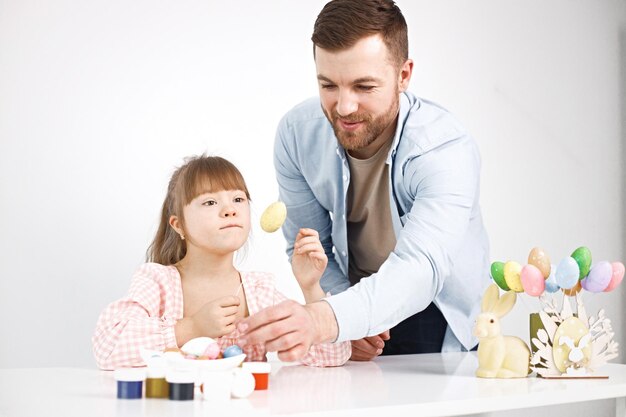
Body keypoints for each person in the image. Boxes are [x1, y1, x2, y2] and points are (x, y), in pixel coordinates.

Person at [237, 0, 489, 361]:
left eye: (363, 86)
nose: (343, 107)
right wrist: (343, 314)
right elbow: (309, 245)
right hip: (353, 301)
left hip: (436, 309)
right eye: (328, 85)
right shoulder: (296, 134)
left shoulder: (445, 149)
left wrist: (328, 319)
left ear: (404, 75)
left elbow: (421, 267)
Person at [92, 155, 350, 369]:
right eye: (210, 201)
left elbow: (332, 357)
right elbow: (107, 347)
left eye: (238, 199)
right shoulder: (158, 282)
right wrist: (191, 328)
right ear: (178, 224)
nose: (230, 209)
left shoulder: (258, 293)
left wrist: (310, 287)